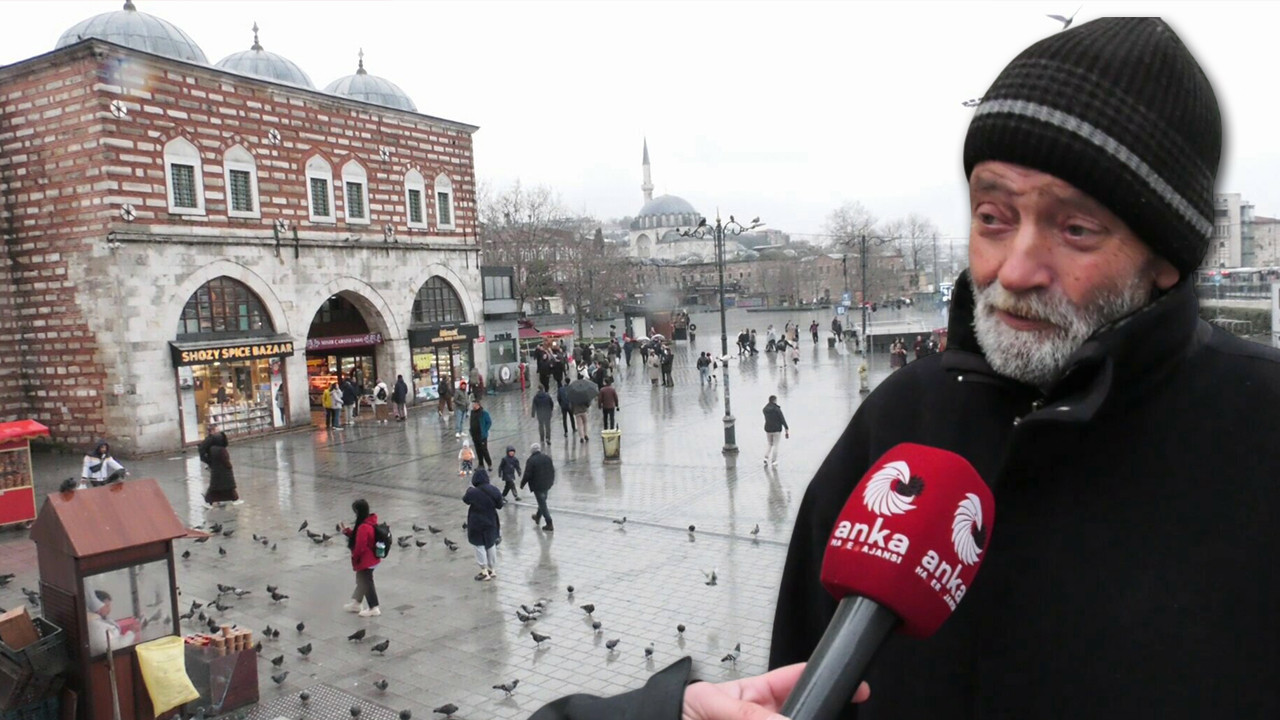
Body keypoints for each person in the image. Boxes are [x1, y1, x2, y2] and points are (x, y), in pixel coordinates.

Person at [769, 17, 1280, 720]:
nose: (1014, 269)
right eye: (993, 216)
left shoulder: (1262, 430)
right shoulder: (898, 423)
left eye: (1075, 230)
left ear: (1165, 260)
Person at [340, 499, 381, 617]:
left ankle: (374, 607)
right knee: (362, 580)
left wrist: (355, 557)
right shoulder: (369, 522)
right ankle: (356, 603)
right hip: (373, 558)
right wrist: (347, 532)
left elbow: (360, 546)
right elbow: (358, 537)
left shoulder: (364, 526)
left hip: (366, 560)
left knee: (366, 582)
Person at [463, 468, 504, 581]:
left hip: (477, 522)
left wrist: (469, 490)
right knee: (491, 544)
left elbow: (465, 500)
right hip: (491, 520)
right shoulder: (494, 490)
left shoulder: (472, 492)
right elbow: (500, 505)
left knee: (479, 545)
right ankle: (492, 569)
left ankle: (484, 571)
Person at [86, 590, 136, 657]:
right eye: (107, 606)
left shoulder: (102, 620)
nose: (109, 609)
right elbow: (116, 647)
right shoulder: (95, 626)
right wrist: (132, 632)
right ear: (97, 606)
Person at [520, 442, 555, 532]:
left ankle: (549, 523)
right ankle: (537, 517)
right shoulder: (547, 458)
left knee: (542, 504)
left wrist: (522, 484)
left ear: (532, 451)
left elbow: (527, 474)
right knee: (542, 501)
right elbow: (552, 471)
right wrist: (551, 482)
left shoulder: (531, 460)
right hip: (547, 484)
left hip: (537, 486)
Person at [202, 432, 239, 506]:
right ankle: (234, 499)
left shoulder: (212, 449)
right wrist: (229, 466)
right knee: (229, 488)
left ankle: (210, 501)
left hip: (216, 473)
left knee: (215, 488)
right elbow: (226, 460)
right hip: (224, 472)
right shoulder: (222, 450)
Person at [762, 395, 789, 467]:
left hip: (768, 429)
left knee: (769, 444)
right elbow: (782, 419)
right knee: (775, 445)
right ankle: (774, 461)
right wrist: (786, 428)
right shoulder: (777, 409)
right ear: (774, 400)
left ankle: (766, 457)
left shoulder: (765, 409)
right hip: (776, 429)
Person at [469, 399, 493, 470]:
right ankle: (481, 464)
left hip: (482, 436)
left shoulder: (484, 413)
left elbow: (489, 422)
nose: (473, 406)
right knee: (478, 450)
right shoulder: (472, 412)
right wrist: (471, 431)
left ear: (478, 405)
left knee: (484, 450)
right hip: (475, 435)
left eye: (475, 404)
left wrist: (485, 430)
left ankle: (489, 464)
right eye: (473, 404)